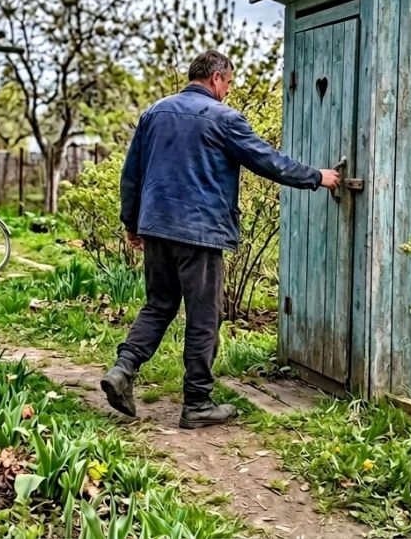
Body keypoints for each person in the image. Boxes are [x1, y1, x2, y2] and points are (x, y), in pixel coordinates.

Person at [101, 50, 341, 429]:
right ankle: (197, 402)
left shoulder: (154, 113)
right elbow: (267, 160)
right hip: (200, 233)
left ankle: (123, 369)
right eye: (228, 83)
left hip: (156, 226)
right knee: (203, 317)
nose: (228, 91)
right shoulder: (225, 118)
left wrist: (132, 222)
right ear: (216, 78)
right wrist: (316, 176)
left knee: (159, 304)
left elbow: (131, 174)